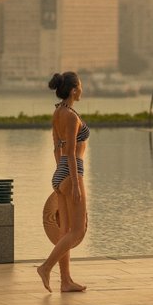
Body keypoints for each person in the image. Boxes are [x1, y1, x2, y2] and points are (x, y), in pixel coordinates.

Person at [37, 71, 89, 292]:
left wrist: (60, 177)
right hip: (72, 173)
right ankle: (46, 267)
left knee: (64, 230)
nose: (83, 89)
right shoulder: (71, 117)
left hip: (61, 174)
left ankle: (65, 281)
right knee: (76, 231)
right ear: (74, 89)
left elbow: (56, 146)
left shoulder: (58, 112)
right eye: (81, 85)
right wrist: (75, 183)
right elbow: (69, 151)